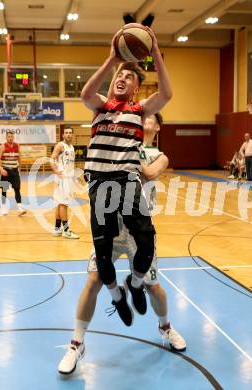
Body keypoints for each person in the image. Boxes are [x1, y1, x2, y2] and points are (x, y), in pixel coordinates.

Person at [58, 114, 186, 375]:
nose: (143, 120)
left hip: (139, 230)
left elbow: (149, 173)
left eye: (149, 118)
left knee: (154, 287)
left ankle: (165, 327)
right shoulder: (116, 143)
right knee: (93, 280)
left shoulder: (160, 156)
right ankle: (76, 343)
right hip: (111, 225)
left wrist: (124, 158)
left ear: (157, 126)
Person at [80, 27, 172, 327]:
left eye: (129, 76)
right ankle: (118, 296)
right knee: (103, 258)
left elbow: (167, 93)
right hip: (99, 184)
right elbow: (85, 93)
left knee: (146, 242)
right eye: (119, 75)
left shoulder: (140, 110)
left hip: (126, 180)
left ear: (136, 89)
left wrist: (155, 49)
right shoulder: (101, 107)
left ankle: (134, 283)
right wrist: (112, 59)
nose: (122, 78)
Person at [50, 127, 79, 239]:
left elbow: (70, 164)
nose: (68, 134)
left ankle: (57, 229)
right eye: (66, 133)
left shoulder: (71, 147)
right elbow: (52, 159)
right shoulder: (60, 145)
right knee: (64, 203)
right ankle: (66, 230)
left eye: (70, 133)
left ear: (72, 135)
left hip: (68, 177)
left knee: (59, 202)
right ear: (63, 135)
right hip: (63, 178)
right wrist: (56, 171)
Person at [0, 131, 26, 216]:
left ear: (13, 137)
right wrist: (1, 169)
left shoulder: (17, 146)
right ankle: (3, 207)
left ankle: (20, 208)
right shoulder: (3, 147)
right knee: (4, 189)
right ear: (6, 137)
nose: (10, 138)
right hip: (5, 171)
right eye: (8, 136)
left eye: (11, 136)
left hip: (14, 171)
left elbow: (19, 157)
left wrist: (19, 168)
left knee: (17, 189)